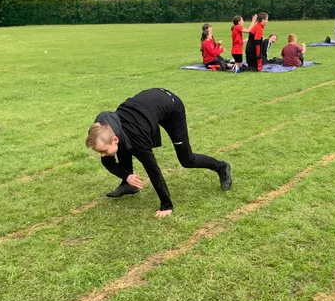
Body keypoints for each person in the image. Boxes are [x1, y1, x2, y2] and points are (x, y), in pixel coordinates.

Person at [86, 88, 232, 218]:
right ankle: (128, 185)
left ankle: (221, 167)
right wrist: (127, 175)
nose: (102, 155)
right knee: (122, 147)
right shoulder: (101, 128)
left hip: (171, 107)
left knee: (187, 160)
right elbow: (107, 160)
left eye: (103, 151)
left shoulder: (137, 138)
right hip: (147, 107)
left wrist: (166, 205)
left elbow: (153, 170)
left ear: (114, 138)